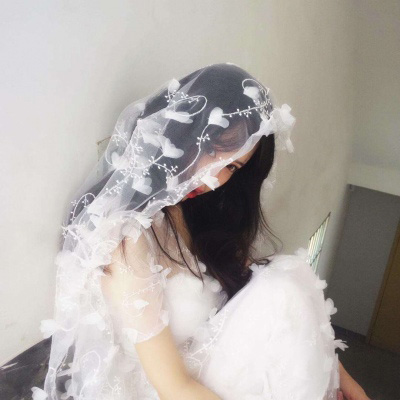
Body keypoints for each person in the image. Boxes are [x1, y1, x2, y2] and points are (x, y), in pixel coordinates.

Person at [32, 63, 369, 399]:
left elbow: (260, 289)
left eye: (232, 166)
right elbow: (174, 387)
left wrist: (338, 377)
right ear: (178, 131)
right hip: (172, 389)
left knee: (287, 278)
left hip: (211, 368)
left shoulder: (197, 210)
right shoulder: (126, 237)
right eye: (210, 150)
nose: (214, 177)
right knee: (282, 289)